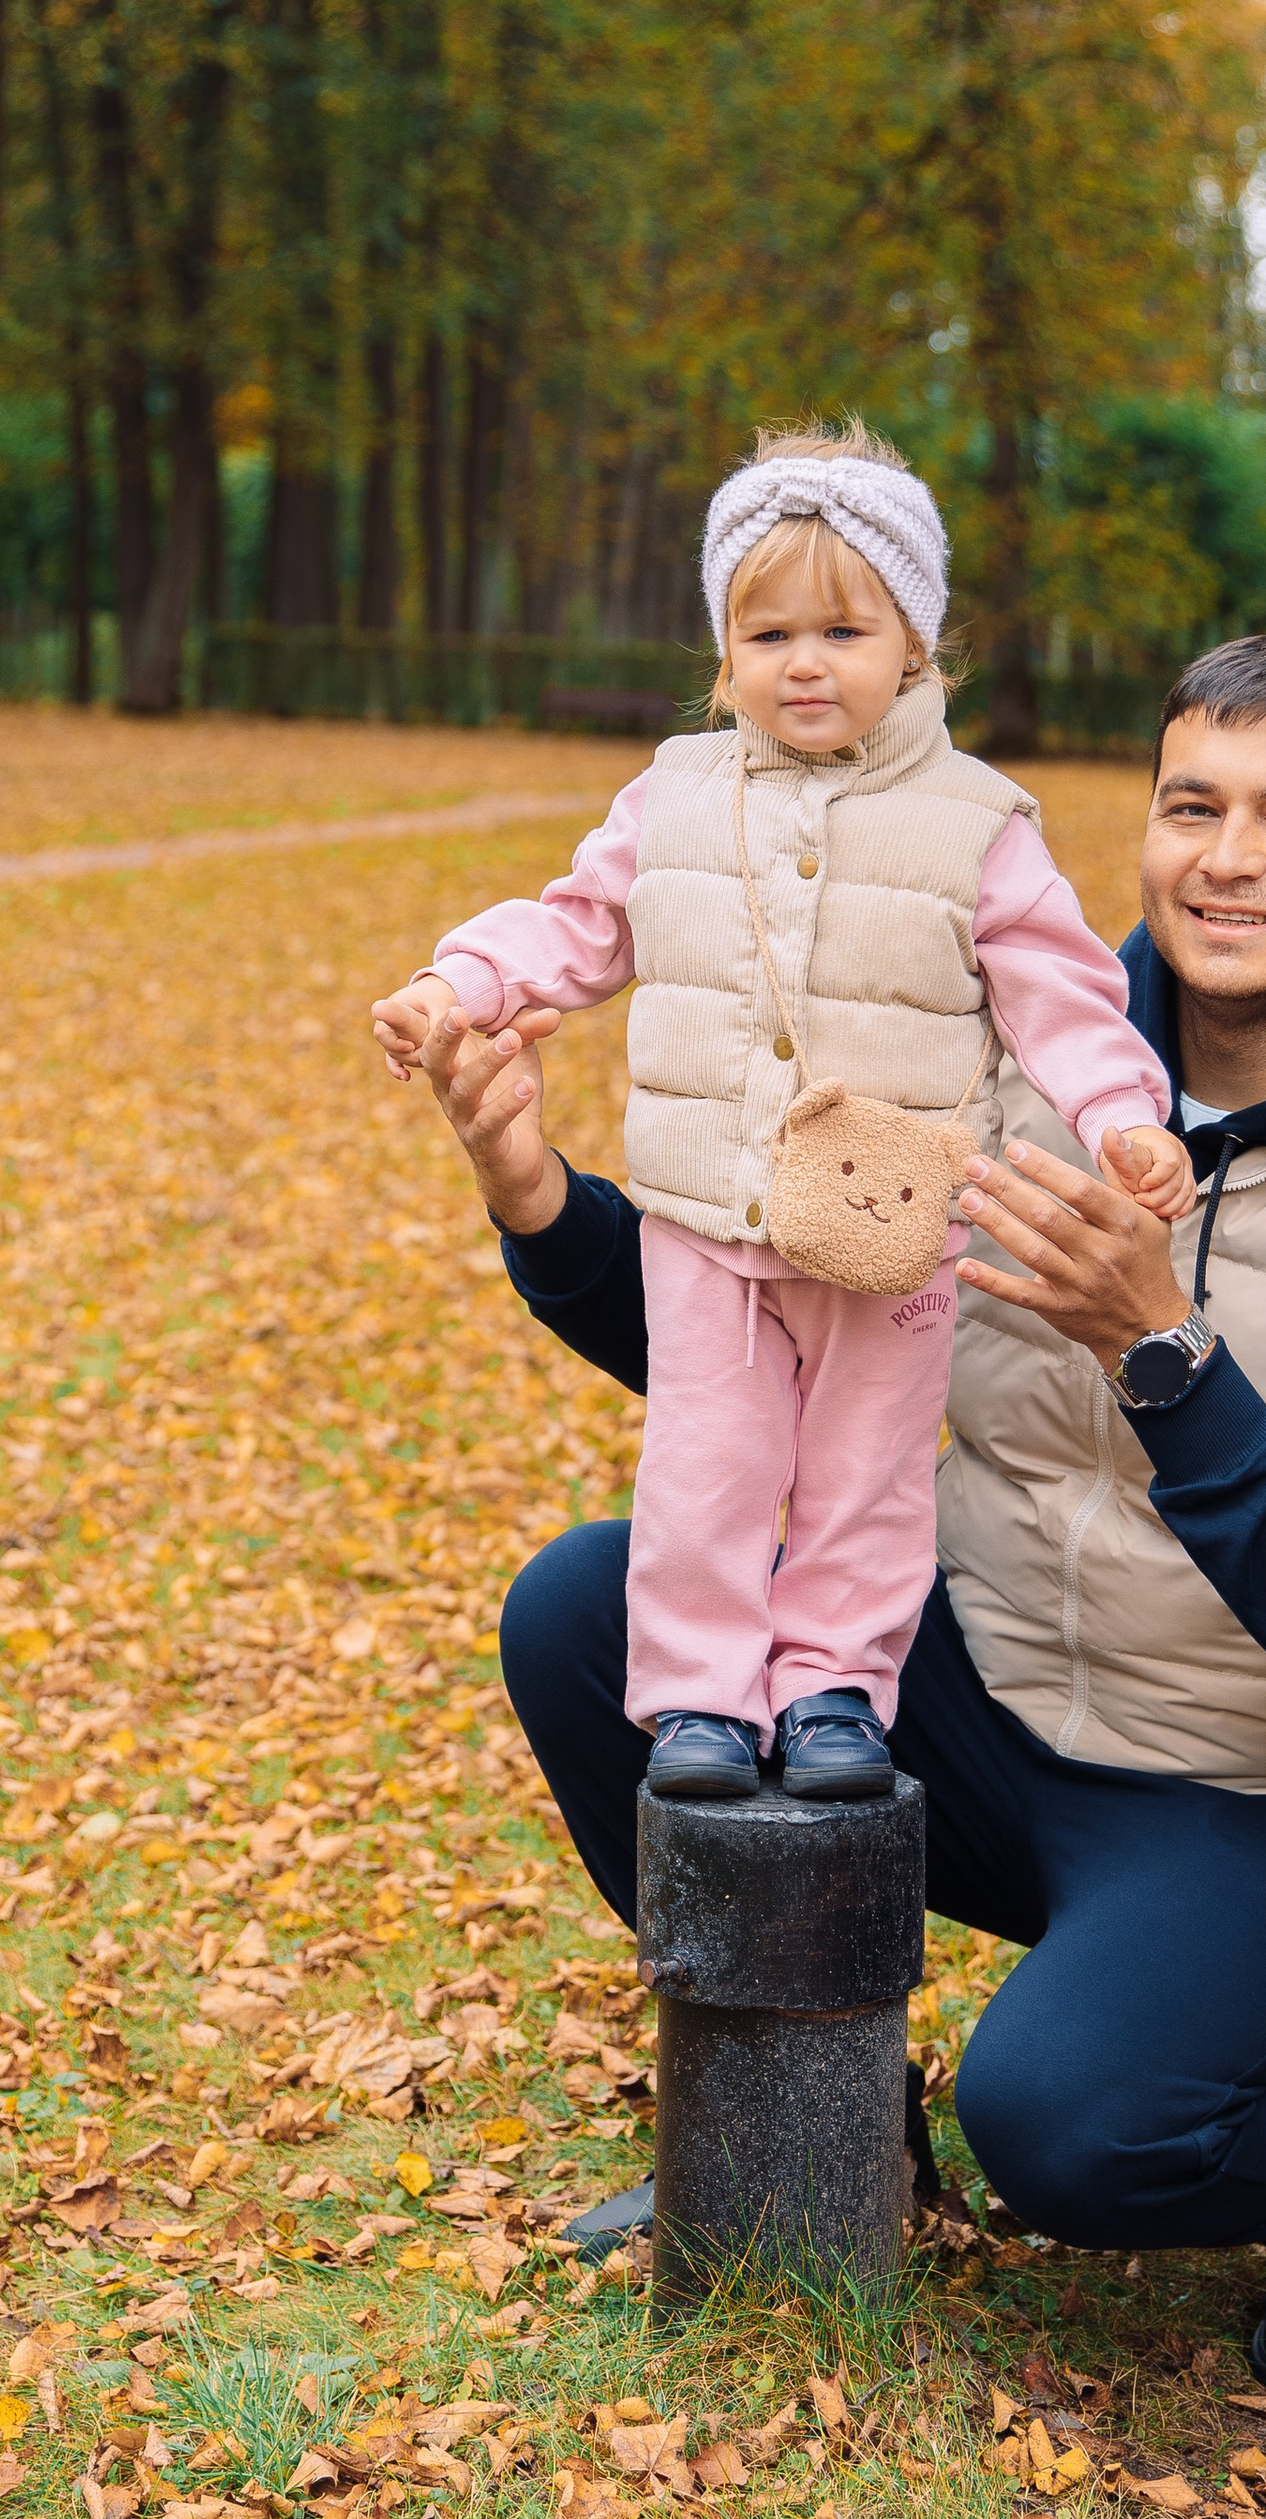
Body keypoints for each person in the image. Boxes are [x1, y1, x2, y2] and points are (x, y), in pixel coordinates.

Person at [411, 629, 1266, 2404]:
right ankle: (823, 2118)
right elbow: (775, 1333)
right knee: (596, 1619)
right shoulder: (1015, 1060)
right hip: (1009, 1698)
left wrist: (1164, 1351)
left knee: (1065, 2127)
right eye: (1192, 804)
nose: (1229, 856)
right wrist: (537, 1196)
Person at [373, 424, 1193, 1811]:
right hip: (706, 1214)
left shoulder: (978, 822)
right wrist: (461, 977)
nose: (802, 661)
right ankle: (696, 1694)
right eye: (766, 634)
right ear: (724, 651)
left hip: (890, 1221)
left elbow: (1061, 995)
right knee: (708, 1456)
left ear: (915, 644)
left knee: (866, 1474)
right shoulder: (674, 796)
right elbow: (578, 926)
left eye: (841, 627)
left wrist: (1124, 1112)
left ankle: (832, 1687)